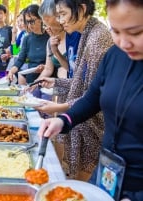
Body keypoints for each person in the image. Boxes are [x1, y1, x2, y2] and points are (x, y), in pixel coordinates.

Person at [38, 1, 143, 200]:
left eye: (136, 33)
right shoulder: (115, 55)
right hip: (108, 172)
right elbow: (93, 97)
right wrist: (63, 120)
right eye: (116, 31)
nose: (123, 43)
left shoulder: (99, 39)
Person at [35, 0, 113, 181]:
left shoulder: (97, 39)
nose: (60, 20)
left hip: (91, 125)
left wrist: (59, 109)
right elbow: (81, 82)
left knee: (84, 182)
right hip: (78, 119)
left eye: (62, 14)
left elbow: (92, 97)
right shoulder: (86, 33)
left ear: (82, 9)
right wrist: (55, 81)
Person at [7, 4, 50, 85]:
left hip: (46, 81)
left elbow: (55, 63)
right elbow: (20, 59)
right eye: (27, 22)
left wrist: (45, 67)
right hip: (30, 81)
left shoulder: (49, 36)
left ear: (41, 19)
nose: (29, 25)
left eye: (32, 21)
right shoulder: (27, 38)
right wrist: (11, 71)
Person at [37, 0, 68, 79]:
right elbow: (48, 69)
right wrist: (35, 83)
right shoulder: (50, 42)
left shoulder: (72, 36)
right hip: (58, 86)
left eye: (46, 18)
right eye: (43, 19)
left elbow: (73, 69)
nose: (45, 22)